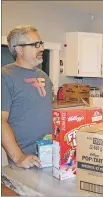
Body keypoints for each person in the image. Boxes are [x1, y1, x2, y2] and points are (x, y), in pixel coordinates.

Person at [2, 25, 52, 168]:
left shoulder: (43, 76)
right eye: (35, 44)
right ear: (19, 49)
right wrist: (19, 157)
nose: (41, 48)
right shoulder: (4, 76)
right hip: (25, 160)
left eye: (40, 43)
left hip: (48, 154)